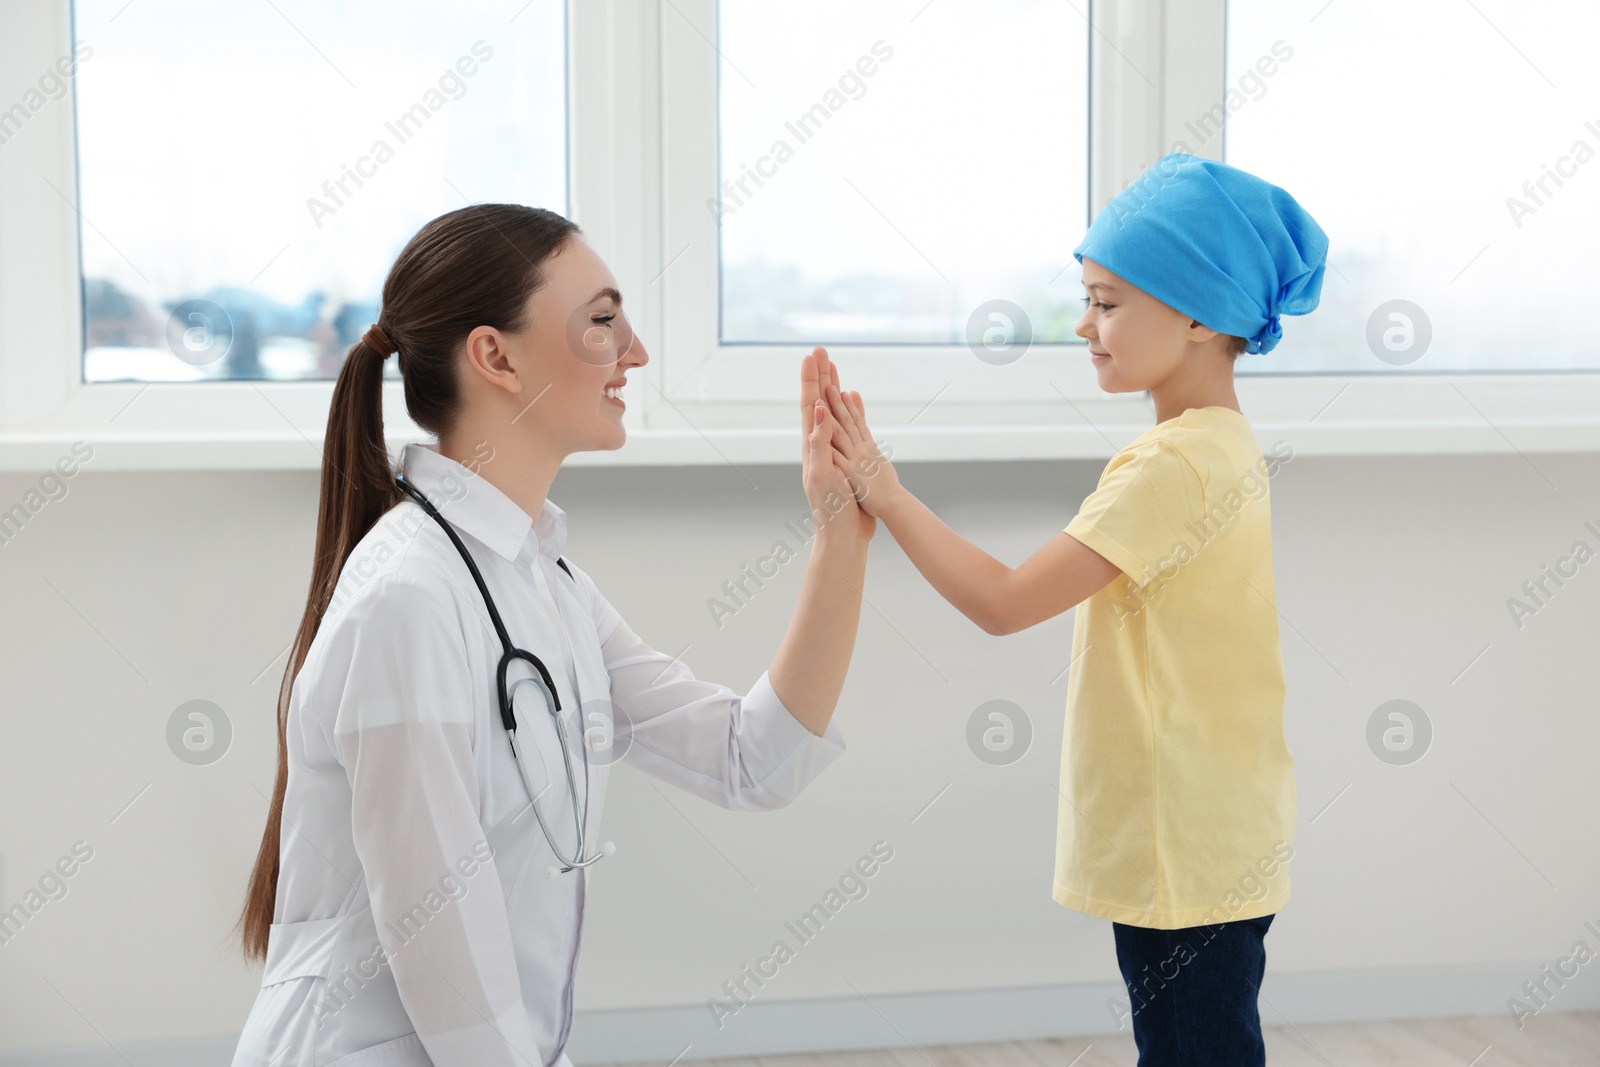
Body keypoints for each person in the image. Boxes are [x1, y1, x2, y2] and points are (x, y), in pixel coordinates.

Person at [230, 204, 874, 1067]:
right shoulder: (407, 599)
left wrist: (839, 538)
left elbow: (748, 758)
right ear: (494, 355)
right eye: (602, 321)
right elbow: (439, 937)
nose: (635, 353)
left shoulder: (543, 581)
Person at [818, 153, 1328, 1066]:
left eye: (1107, 301)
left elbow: (1005, 601)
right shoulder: (1218, 446)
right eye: (1087, 299)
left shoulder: (1172, 467)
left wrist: (883, 492)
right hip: (1217, 831)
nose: (1083, 325)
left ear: (1201, 313)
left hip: (1188, 842)